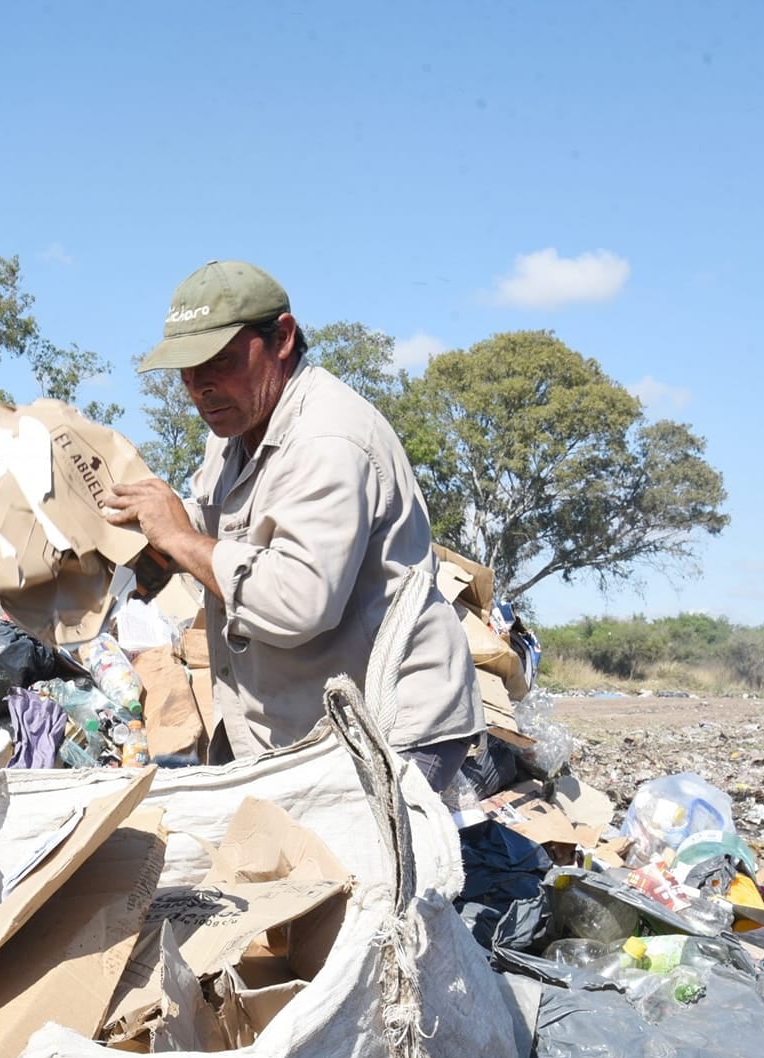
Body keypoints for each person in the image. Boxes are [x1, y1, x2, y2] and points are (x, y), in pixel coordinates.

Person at [100, 259, 482, 791]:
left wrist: (180, 538)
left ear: (281, 338)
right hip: (304, 719)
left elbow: (298, 602)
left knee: (352, 848)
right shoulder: (234, 431)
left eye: (219, 361)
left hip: (392, 727)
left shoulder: (329, 440)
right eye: (186, 369)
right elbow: (220, 531)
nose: (199, 386)